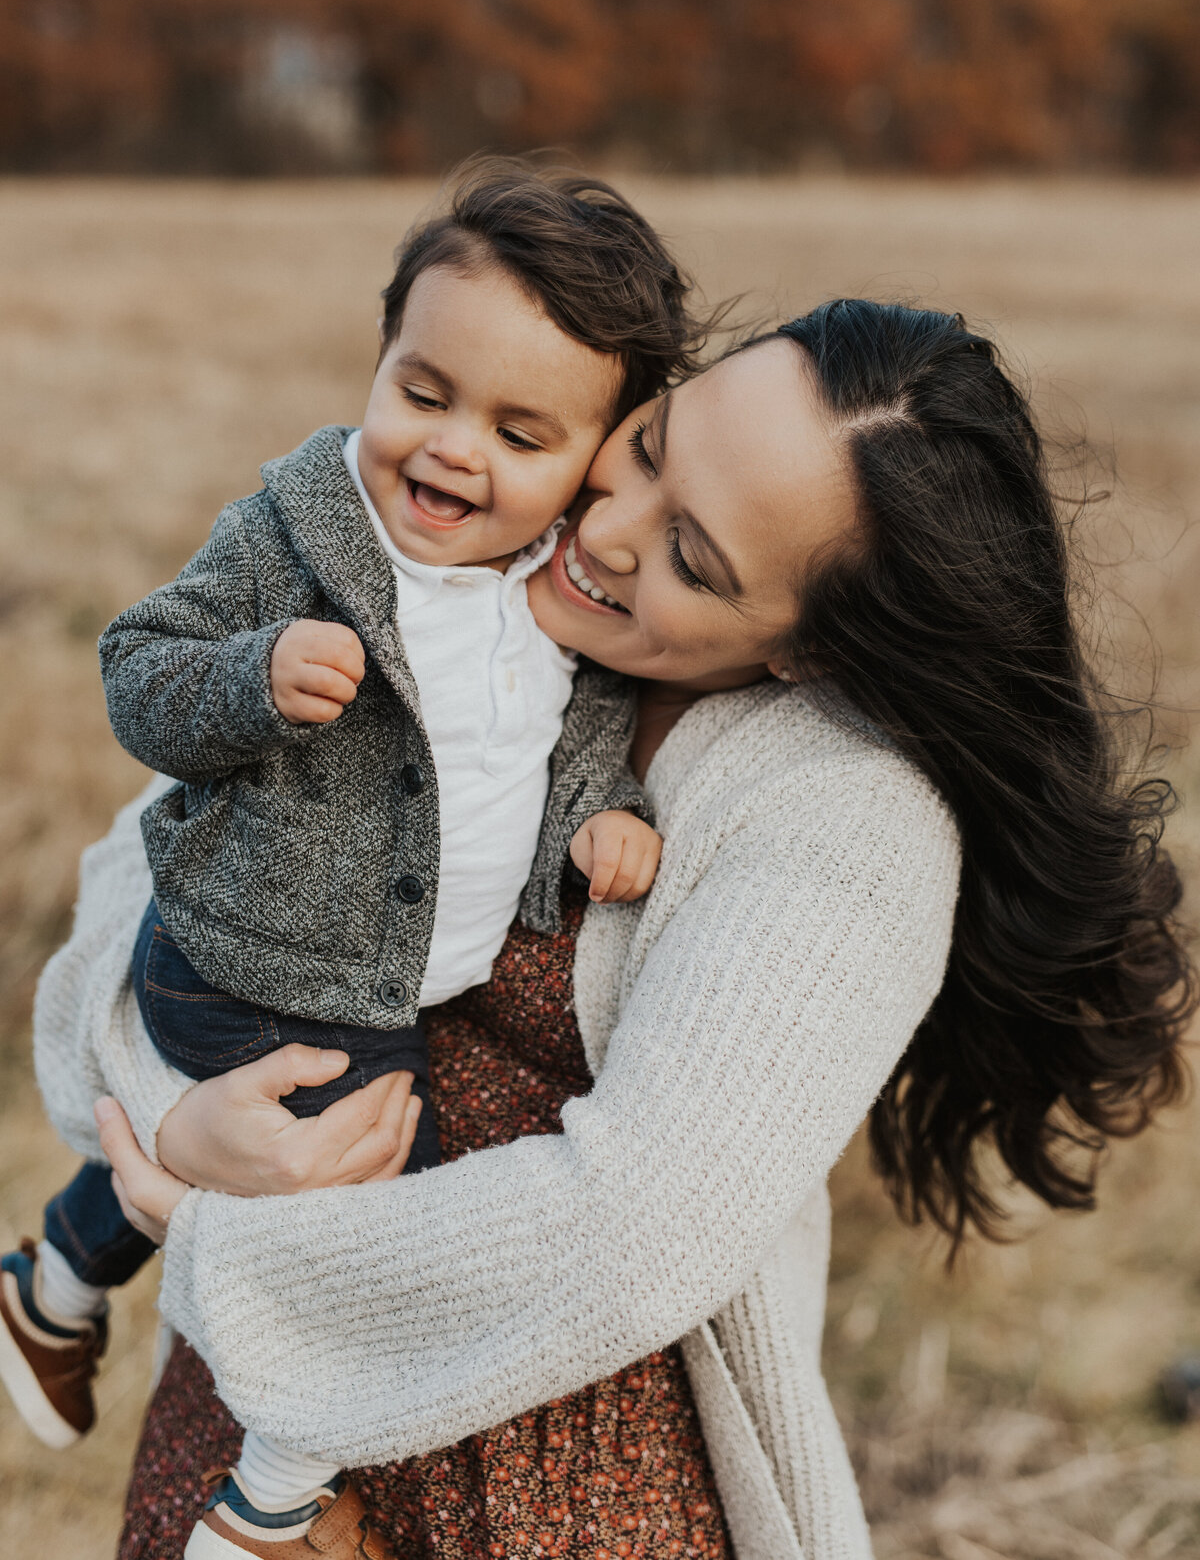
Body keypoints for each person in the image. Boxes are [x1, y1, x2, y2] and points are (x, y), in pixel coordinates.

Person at [31, 300, 1193, 1560]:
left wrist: (217, 1239)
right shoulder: (437, 565)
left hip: (560, 1492)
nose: (603, 531)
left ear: (812, 649)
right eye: (646, 444)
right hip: (245, 1435)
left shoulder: (845, 819)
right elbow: (129, 898)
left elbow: (637, 1225)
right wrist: (170, 1128)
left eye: (694, 559)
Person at [0, 157, 695, 1557]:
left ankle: (53, 1276)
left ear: (592, 457)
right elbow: (138, 667)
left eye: (518, 429)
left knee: (310, 1187)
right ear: (378, 360)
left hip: (377, 977)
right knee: (370, 1214)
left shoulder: (553, 590)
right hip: (254, 958)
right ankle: (271, 1500)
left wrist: (595, 817)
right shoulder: (293, 536)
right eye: (423, 392)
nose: (450, 449)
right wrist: (252, 676)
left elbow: (572, 741)